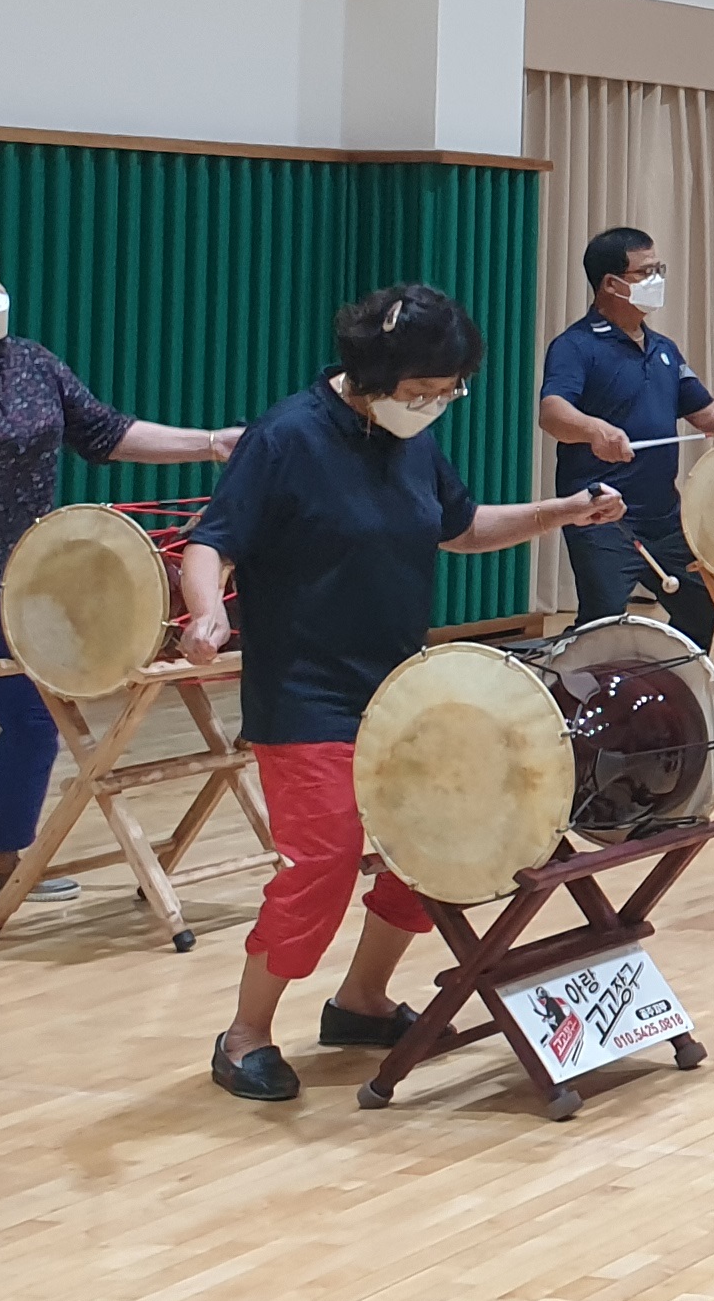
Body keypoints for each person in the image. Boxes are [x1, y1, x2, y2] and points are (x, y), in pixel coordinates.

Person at [177, 285, 626, 1103]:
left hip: (401, 688)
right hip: (305, 693)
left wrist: (564, 512)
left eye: (449, 390)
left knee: (433, 842)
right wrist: (206, 611)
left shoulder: (410, 438)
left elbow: (461, 528)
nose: (435, 404)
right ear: (371, 376)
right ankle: (245, 1034)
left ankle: (362, 1001)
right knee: (324, 860)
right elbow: (212, 543)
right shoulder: (286, 437)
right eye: (422, 390)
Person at [0, 236, 242, 938]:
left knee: (33, 722)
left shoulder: (31, 363)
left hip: (22, 586)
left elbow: (106, 433)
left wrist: (209, 442)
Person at [533, 226, 714, 652]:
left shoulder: (663, 349)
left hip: (665, 517)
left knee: (702, 605)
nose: (657, 279)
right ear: (611, 284)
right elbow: (553, 412)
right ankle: (581, 689)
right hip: (602, 518)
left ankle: (671, 684)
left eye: (659, 269)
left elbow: (707, 414)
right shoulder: (575, 346)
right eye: (646, 272)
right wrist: (594, 430)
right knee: (602, 621)